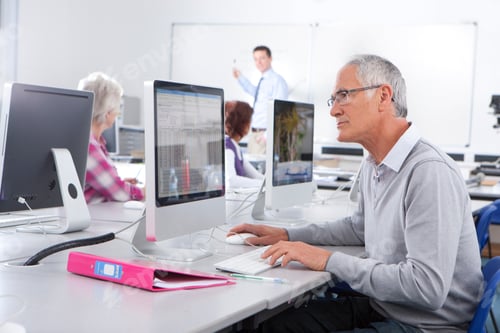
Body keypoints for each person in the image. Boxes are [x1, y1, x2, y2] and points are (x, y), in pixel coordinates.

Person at [230, 54, 483, 332]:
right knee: (272, 326)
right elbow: (359, 228)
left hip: (425, 325)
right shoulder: (375, 161)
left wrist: (328, 260)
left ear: (383, 97)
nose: (334, 110)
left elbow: (426, 286)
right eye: (333, 99)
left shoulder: (428, 171)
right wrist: (289, 236)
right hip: (385, 306)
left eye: (343, 96)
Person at [78, 72, 144, 204]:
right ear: (108, 112)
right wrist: (144, 191)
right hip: (92, 219)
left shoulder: (95, 141)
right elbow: (119, 193)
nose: (118, 113)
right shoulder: (88, 145)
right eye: (118, 108)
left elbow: (92, 185)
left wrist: (120, 183)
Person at [233, 45, 288, 154]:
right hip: (255, 133)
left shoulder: (277, 81)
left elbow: (281, 110)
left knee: (259, 170)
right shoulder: (264, 80)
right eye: (256, 59)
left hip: (264, 135)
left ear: (270, 58)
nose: (259, 62)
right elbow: (256, 93)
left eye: (262, 58)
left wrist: (267, 135)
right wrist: (240, 78)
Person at [224, 100, 264, 189]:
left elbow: (255, 175)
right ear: (241, 123)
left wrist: (270, 184)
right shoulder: (228, 147)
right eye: (249, 120)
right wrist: (263, 185)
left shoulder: (235, 146)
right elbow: (231, 180)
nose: (250, 124)